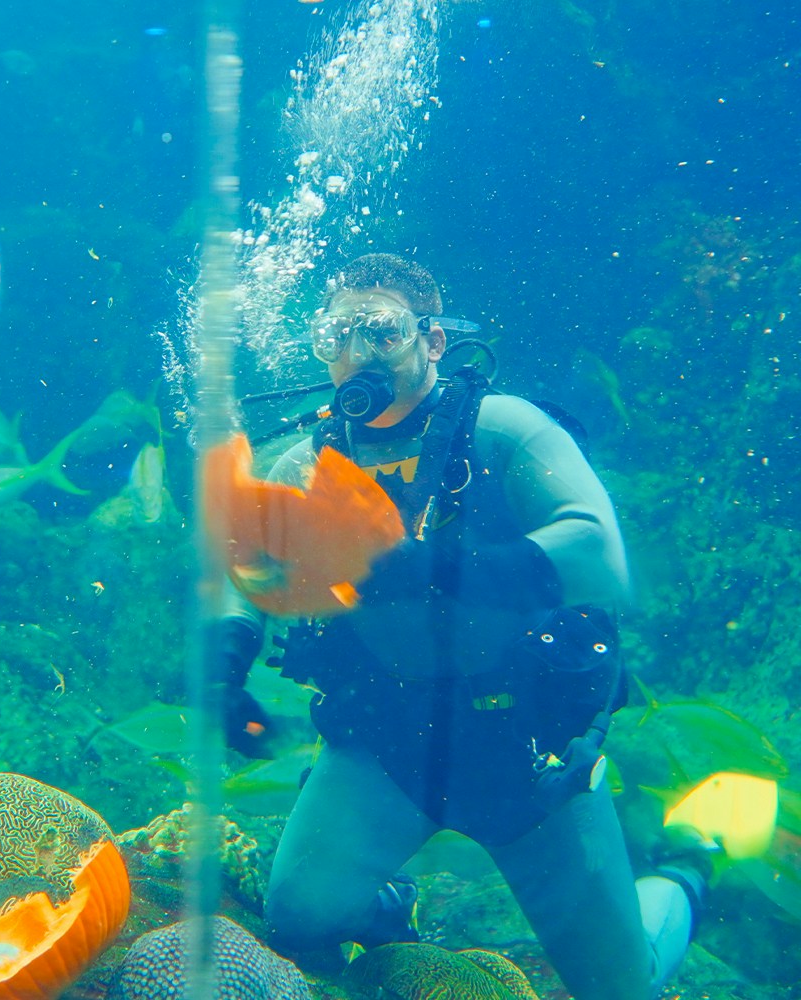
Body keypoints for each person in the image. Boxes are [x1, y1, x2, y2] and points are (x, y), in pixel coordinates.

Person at [214, 253, 706, 1000]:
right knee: (299, 918)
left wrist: (437, 570)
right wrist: (226, 657)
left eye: (380, 332)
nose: (356, 355)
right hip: (386, 746)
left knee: (621, 987)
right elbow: (248, 574)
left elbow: (600, 553)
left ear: (434, 341)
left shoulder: (504, 429)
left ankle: (689, 868)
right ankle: (385, 905)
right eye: (336, 336)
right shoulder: (304, 465)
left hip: (528, 752)